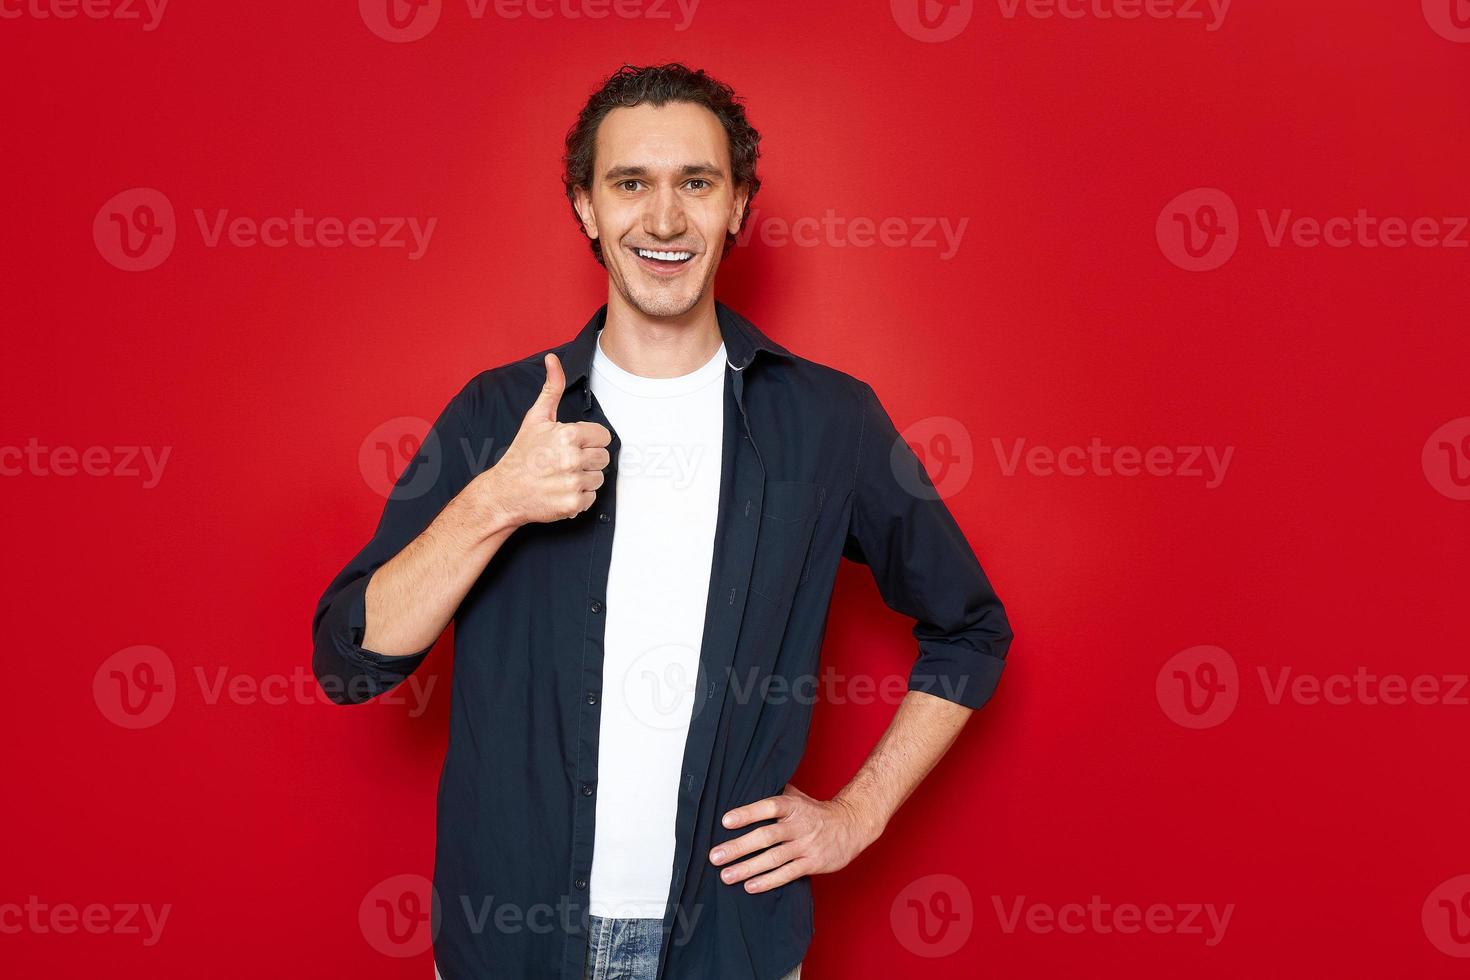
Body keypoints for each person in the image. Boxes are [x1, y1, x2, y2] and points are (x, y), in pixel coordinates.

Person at [312, 62, 1013, 980]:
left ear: (737, 206)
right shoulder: (500, 414)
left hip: (729, 946)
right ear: (586, 209)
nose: (665, 219)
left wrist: (858, 814)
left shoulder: (829, 423)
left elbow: (971, 630)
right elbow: (350, 660)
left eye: (697, 182)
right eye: (630, 184)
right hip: (513, 947)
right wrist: (495, 501)